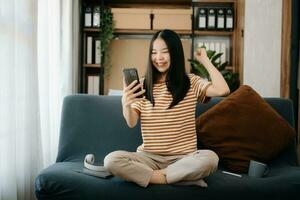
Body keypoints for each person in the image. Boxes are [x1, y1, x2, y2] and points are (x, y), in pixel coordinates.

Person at [104, 29, 230, 188]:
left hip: (184, 159)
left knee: (211, 159)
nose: (158, 58)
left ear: (175, 53)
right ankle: (178, 178)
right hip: (148, 158)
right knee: (111, 160)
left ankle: (156, 178)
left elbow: (223, 90)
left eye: (165, 52)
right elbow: (131, 122)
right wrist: (126, 103)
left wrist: (204, 60)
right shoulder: (143, 85)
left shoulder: (191, 82)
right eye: (154, 52)